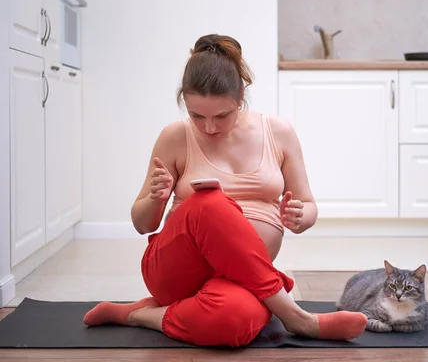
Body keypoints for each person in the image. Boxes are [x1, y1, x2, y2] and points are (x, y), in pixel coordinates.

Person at [82, 34, 368, 347]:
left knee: (234, 320)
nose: (209, 128)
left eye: (221, 116)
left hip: (241, 281)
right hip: (175, 273)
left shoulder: (279, 132)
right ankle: (297, 318)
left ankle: (137, 315)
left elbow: (309, 205)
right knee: (210, 202)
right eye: (196, 116)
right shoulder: (175, 136)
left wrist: (301, 216)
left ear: (241, 96)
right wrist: (155, 198)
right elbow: (142, 224)